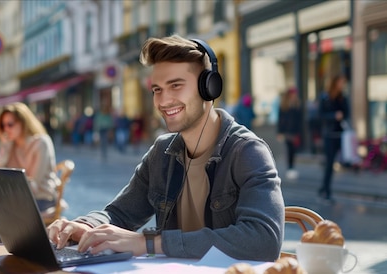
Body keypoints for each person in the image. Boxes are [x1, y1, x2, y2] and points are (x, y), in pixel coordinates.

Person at [47, 34, 284, 262]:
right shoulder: (162, 152)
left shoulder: (247, 151)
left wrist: (148, 243)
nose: (163, 100)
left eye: (176, 86)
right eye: (157, 89)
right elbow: (120, 214)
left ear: (208, 88)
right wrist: (87, 225)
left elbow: (264, 240)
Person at [0, 102, 60, 212]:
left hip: (42, 198)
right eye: (3, 126)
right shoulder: (11, 144)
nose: (6, 129)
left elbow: (34, 184)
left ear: (23, 123)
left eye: (10, 124)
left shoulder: (41, 143)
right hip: (17, 198)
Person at [318, 74, 349, 202]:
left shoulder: (342, 98)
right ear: (335, 82)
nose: (342, 85)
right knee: (330, 163)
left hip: (339, 134)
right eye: (341, 82)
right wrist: (333, 116)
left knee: (334, 163)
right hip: (329, 134)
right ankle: (326, 191)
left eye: (344, 83)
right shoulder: (325, 97)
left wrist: (342, 114)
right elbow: (321, 115)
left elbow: (347, 113)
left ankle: (323, 188)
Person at [277, 87, 303, 180]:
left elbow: (299, 120)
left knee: (293, 150)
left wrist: (299, 132)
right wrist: (280, 132)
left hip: (294, 132)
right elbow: (280, 119)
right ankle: (289, 167)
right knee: (289, 149)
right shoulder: (284, 105)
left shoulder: (297, 105)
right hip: (287, 132)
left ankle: (292, 167)